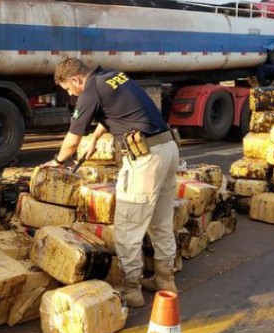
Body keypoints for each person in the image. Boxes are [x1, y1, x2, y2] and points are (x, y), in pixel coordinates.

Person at [44, 57, 180, 307]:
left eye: (68, 88)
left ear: (75, 79)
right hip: (168, 149)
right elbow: (118, 112)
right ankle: (165, 280)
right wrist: (95, 138)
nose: (71, 94)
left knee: (128, 228)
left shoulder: (90, 90)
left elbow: (72, 140)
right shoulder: (114, 76)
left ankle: (131, 290)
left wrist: (57, 161)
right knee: (160, 222)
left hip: (145, 160)